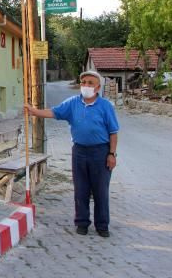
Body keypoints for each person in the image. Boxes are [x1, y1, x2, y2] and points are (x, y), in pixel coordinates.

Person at [25, 71, 119, 238]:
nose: (86, 85)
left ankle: (102, 225)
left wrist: (111, 154)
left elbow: (113, 132)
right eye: (83, 82)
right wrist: (33, 111)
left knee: (100, 191)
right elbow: (53, 112)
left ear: (97, 87)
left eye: (90, 83)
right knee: (80, 189)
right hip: (79, 152)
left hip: (100, 152)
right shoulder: (73, 103)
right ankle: (82, 223)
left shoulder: (105, 106)